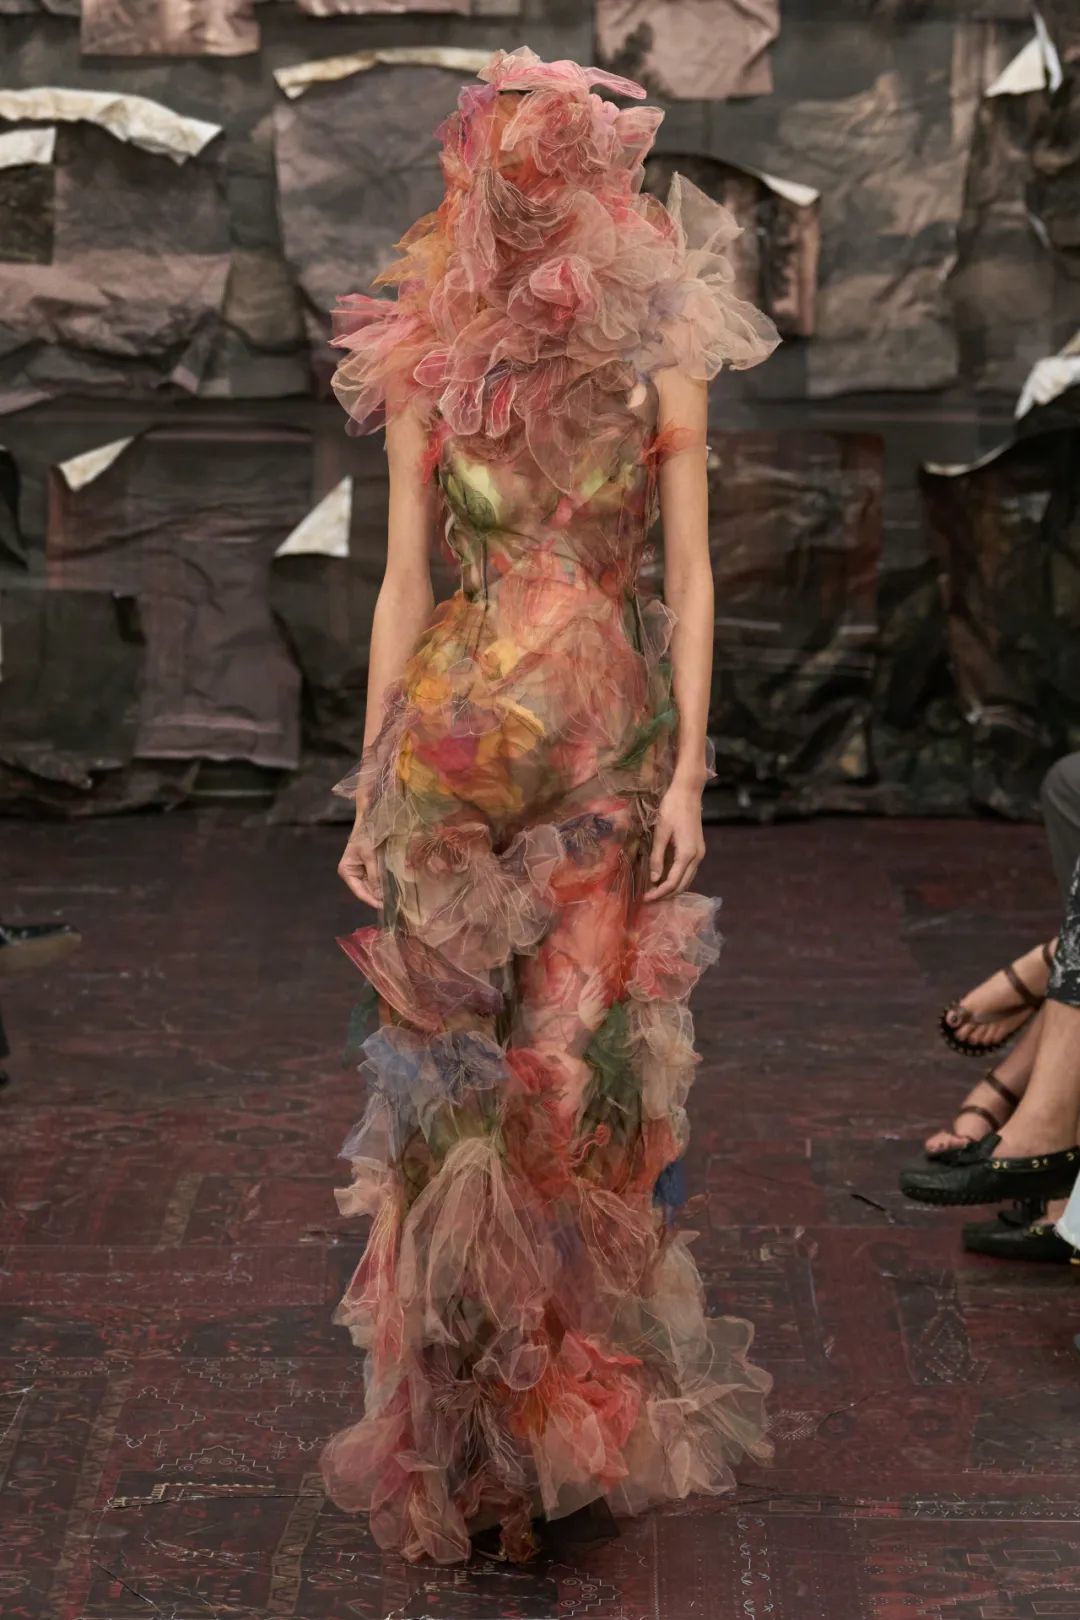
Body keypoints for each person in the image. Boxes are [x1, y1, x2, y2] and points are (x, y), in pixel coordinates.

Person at [318, 47, 779, 1565]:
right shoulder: (430, 351)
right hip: (452, 770)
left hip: (602, 762)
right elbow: (402, 580)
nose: (526, 198)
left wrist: (692, 767)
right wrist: (370, 783)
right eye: (509, 173)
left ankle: (543, 1424)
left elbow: (690, 573)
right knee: (448, 1097)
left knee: (566, 1090)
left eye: (551, 170)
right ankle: (466, 1444)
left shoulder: (659, 350)